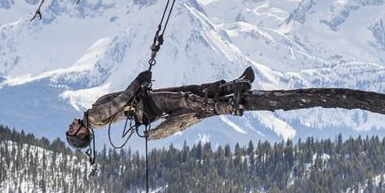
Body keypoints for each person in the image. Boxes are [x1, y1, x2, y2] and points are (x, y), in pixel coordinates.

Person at [65, 66, 255, 148]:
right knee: (185, 97)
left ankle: (235, 86)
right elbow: (121, 101)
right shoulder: (93, 117)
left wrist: (139, 86)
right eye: (72, 130)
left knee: (190, 91)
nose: (71, 126)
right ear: (81, 133)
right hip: (145, 105)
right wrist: (138, 81)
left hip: (143, 104)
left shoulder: (93, 119)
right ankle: (229, 107)